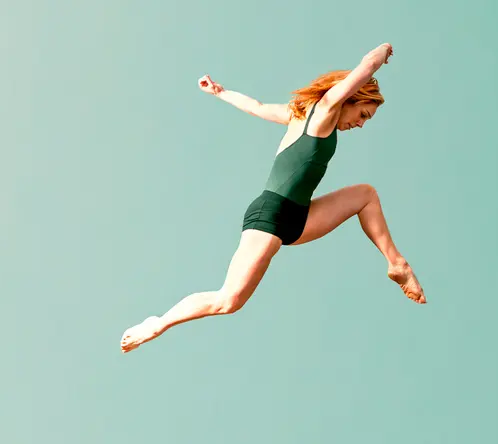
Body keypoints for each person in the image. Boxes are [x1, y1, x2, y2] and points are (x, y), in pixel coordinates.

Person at [119, 43, 425, 353]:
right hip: (272, 212)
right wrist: (384, 51)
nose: (360, 124)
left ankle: (397, 264)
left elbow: (257, 106)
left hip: (300, 217)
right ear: (351, 98)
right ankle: (157, 323)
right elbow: (366, 67)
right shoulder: (324, 110)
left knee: (366, 195)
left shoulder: (298, 115)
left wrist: (220, 92)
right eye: (363, 115)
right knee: (228, 300)